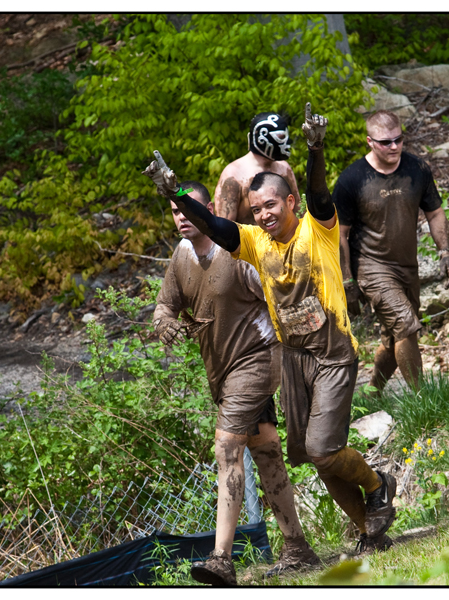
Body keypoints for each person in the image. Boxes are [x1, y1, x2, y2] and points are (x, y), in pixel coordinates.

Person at [143, 102, 398, 556]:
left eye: (271, 205)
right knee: (316, 458)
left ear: (290, 202)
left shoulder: (317, 229)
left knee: (322, 449)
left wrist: (315, 150)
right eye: (256, 208)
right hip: (294, 360)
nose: (263, 214)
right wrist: (176, 192)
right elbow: (213, 225)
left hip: (332, 353)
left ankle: (379, 484)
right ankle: (370, 531)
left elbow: (320, 193)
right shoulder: (254, 241)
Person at [150, 182, 320, 585]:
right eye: (174, 211)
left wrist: (308, 349)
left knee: (227, 448)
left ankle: (221, 560)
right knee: (266, 451)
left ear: (208, 209)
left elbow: (282, 295)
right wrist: (165, 324)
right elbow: (164, 306)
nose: (181, 217)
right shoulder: (182, 255)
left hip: (258, 359)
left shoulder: (236, 252)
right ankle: (297, 547)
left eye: (187, 209)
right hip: (223, 372)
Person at [333, 110, 449, 393]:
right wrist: (347, 281)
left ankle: (374, 392)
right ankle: (424, 400)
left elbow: (435, 213)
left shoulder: (417, 169)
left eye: (398, 139)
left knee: (395, 337)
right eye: (385, 142)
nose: (394, 146)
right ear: (370, 142)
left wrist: (445, 253)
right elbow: (339, 233)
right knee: (406, 324)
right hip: (371, 265)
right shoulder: (352, 179)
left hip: (406, 265)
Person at [214, 111, 301, 225]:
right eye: (281, 137)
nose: (287, 142)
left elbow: (299, 212)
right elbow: (224, 226)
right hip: (249, 236)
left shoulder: (284, 168)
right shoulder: (234, 174)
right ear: (262, 138)